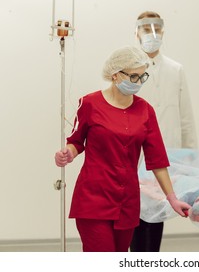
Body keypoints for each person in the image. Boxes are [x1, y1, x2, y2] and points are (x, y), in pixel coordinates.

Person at [54, 46, 190, 252]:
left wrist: (172, 198)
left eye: (142, 76)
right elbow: (76, 141)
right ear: (116, 75)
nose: (138, 83)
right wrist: (67, 153)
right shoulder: (89, 104)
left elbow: (158, 160)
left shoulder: (145, 111)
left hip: (127, 202)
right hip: (94, 199)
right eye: (134, 77)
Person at [130, 11, 198, 252]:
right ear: (136, 32)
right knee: (135, 217)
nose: (152, 34)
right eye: (146, 29)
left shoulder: (175, 69)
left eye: (157, 29)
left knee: (157, 214)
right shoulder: (129, 69)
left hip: (166, 155)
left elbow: (185, 115)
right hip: (134, 156)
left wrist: (190, 155)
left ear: (163, 32)